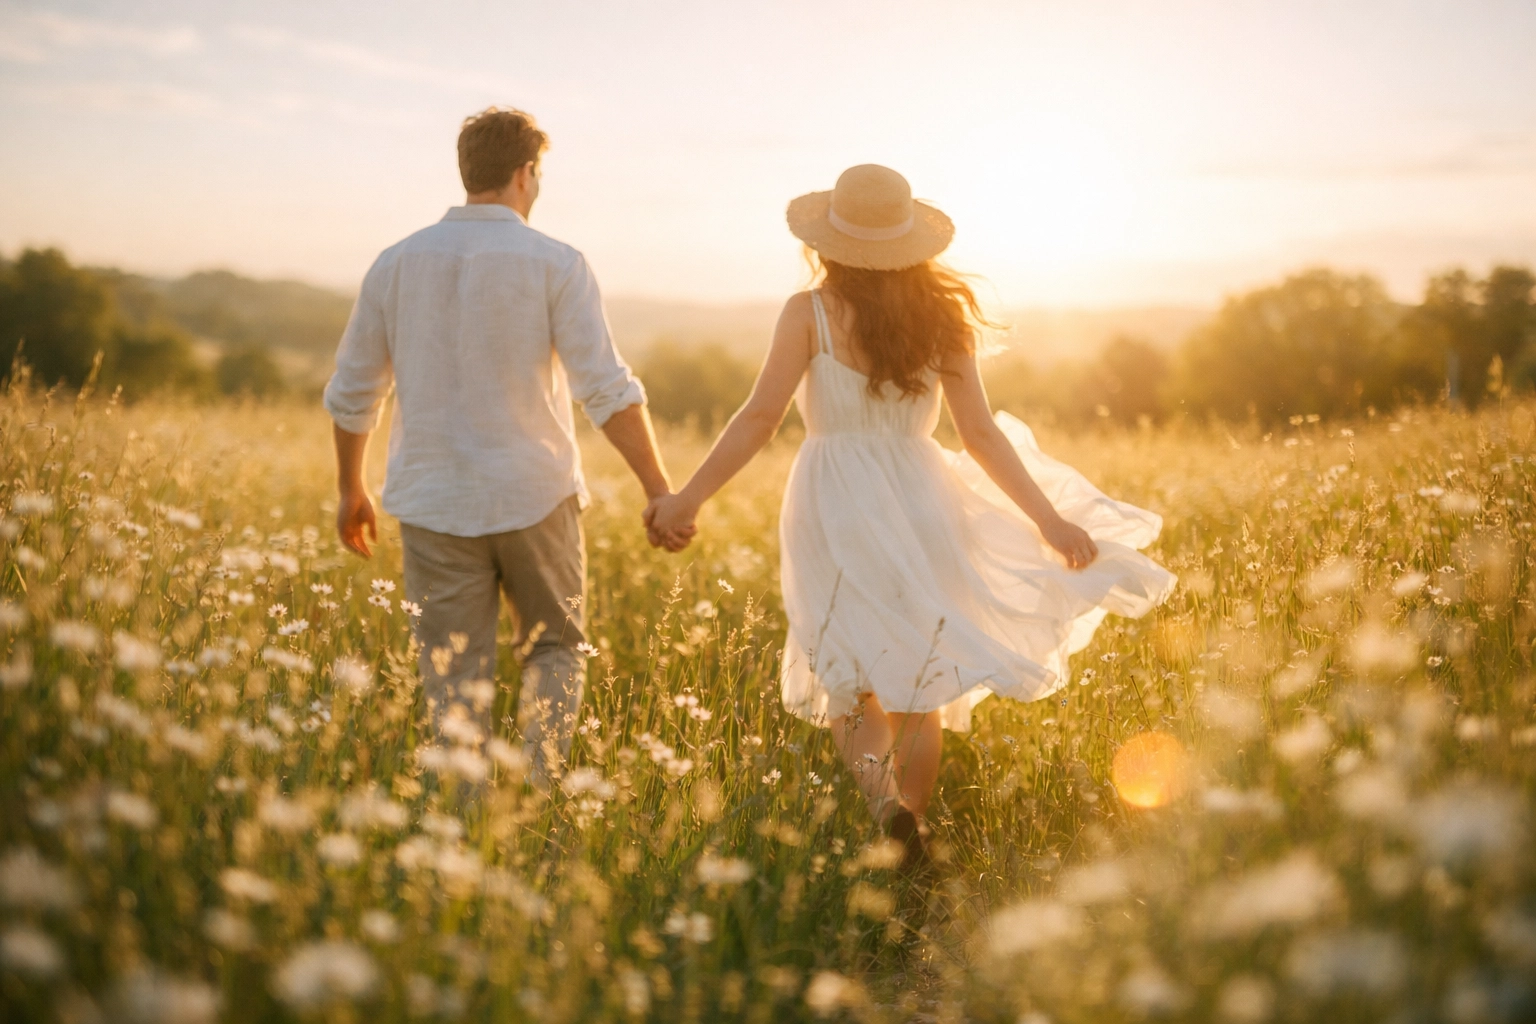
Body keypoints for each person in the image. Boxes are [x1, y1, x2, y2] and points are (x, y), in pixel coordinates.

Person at [646, 164, 1176, 867]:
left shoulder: (807, 312)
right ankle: (912, 839)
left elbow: (759, 418)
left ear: (830, 240)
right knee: (919, 679)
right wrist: (1049, 521)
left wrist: (687, 498)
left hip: (831, 497)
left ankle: (884, 811)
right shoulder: (943, 316)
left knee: (847, 673)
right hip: (922, 494)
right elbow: (980, 436)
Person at [324, 107, 692, 784]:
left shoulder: (394, 264)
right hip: (536, 494)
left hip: (432, 501)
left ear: (468, 173)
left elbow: (353, 393)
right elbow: (606, 389)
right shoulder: (556, 262)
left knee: (453, 674)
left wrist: (352, 487)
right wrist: (659, 490)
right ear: (526, 174)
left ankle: (466, 833)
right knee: (555, 650)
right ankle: (543, 805)